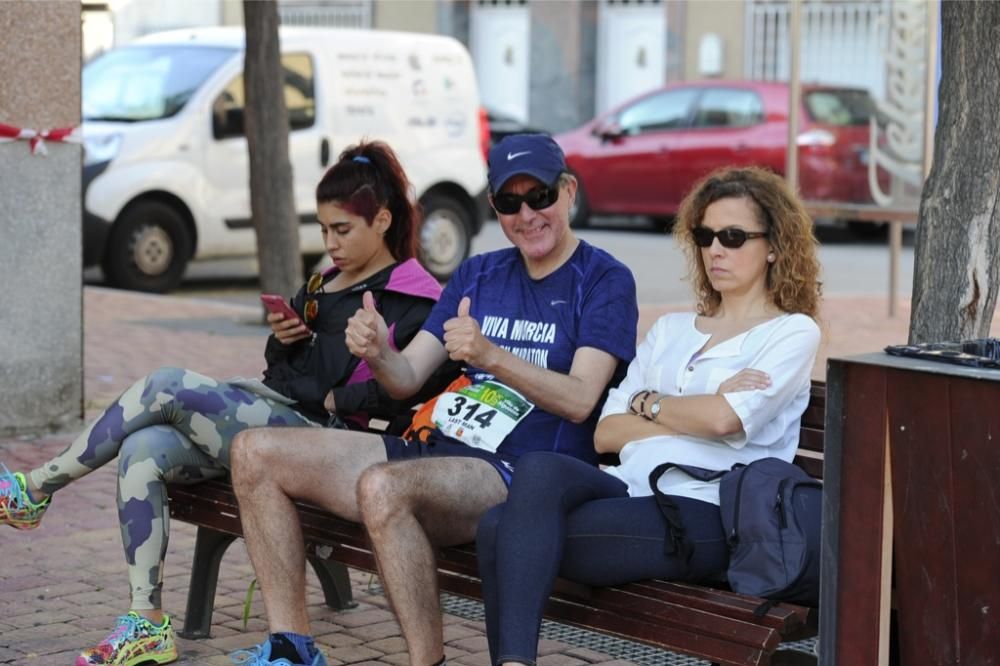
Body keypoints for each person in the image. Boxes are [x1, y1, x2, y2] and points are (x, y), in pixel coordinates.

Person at [0, 140, 453, 666]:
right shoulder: (323, 284)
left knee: (165, 384)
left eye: (342, 230)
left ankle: (35, 489)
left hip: (334, 445)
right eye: (324, 229)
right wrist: (286, 341)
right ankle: (146, 623)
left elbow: (399, 399)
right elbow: (281, 377)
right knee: (144, 448)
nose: (330, 243)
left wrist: (329, 385)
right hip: (281, 417)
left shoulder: (414, 296)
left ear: (381, 220)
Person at [226, 133, 639, 666]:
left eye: (539, 196)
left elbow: (583, 399)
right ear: (494, 207)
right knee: (253, 452)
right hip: (434, 449)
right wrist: (378, 350)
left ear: (568, 192)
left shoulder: (604, 279)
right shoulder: (478, 273)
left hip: (522, 473)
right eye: (509, 203)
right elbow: (406, 377)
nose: (527, 214)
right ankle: (291, 648)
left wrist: (491, 356)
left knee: (382, 489)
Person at [474, 166, 823, 665]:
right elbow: (605, 434)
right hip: (632, 489)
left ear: (773, 246)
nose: (716, 250)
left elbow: (725, 422)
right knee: (535, 471)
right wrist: (692, 407)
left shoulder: (791, 333)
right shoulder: (672, 329)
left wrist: (651, 404)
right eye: (705, 236)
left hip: (708, 509)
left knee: (500, 531)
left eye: (734, 236)